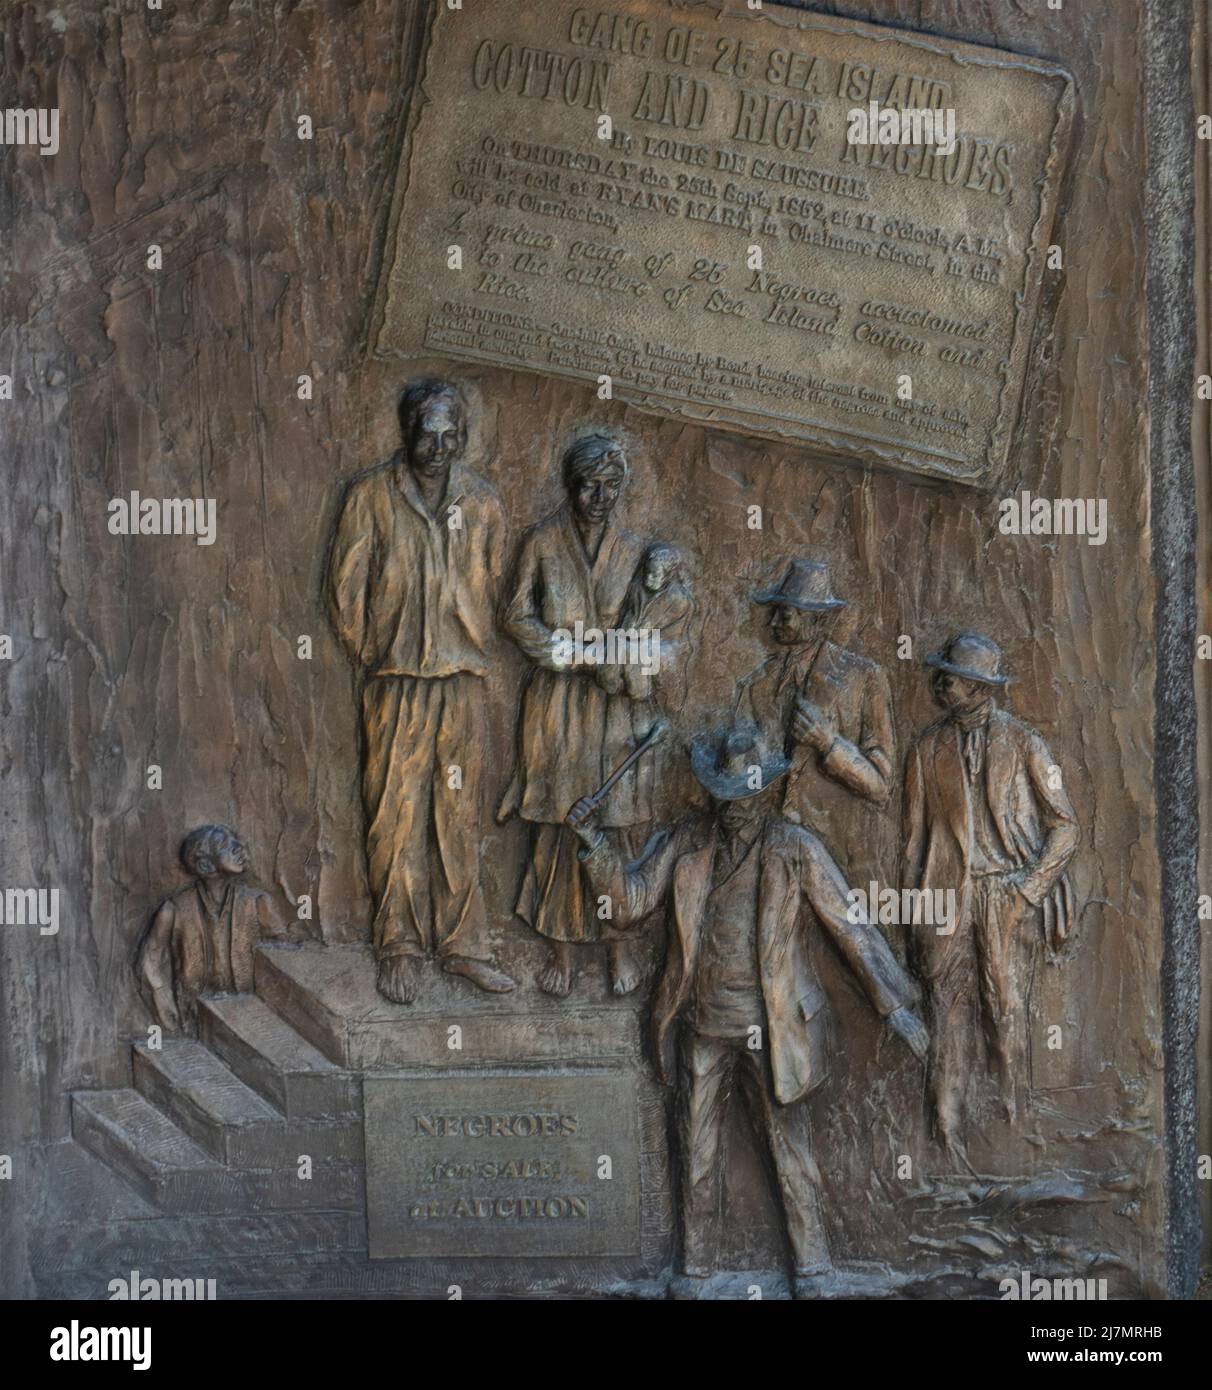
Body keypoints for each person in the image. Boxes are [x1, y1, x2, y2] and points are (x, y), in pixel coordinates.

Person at [567, 721, 928, 1298]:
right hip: (703, 1023)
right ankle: (695, 1270)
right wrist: (596, 845)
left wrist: (895, 1008)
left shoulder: (795, 848)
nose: (734, 809)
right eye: (725, 798)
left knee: (790, 1152)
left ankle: (811, 1269)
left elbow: (851, 928)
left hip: (774, 1025)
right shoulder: (688, 842)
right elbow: (627, 905)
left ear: (765, 794)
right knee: (695, 1150)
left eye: (746, 798)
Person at [328, 379, 515, 1004]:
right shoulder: (370, 496)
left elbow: (490, 585)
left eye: (449, 435)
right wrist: (380, 653)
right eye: (425, 433)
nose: (437, 447)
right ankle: (399, 945)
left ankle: (462, 945)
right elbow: (345, 595)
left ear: (463, 437)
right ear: (408, 432)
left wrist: (464, 641)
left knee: (456, 816)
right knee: (394, 814)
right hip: (396, 682)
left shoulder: (482, 503)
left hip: (461, 681)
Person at [902, 631, 1079, 1154]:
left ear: (979, 688)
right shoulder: (926, 750)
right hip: (945, 904)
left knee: (1003, 1013)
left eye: (949, 677)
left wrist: (1028, 891)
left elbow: (1065, 825)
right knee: (946, 1015)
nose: (939, 683)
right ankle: (945, 1135)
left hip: (1006, 896)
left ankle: (1012, 1126)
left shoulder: (1026, 743)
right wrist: (914, 913)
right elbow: (913, 845)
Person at [499, 433, 651, 997]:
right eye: (589, 485)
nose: (599, 496)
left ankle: (620, 945)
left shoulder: (636, 552)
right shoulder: (541, 542)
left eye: (611, 486)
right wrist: (562, 651)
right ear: (571, 485)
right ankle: (559, 949)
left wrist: (625, 657)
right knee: (562, 826)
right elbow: (515, 616)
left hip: (614, 709)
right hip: (558, 705)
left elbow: (654, 622)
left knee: (614, 823)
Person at [733, 559, 894, 883]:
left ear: (817, 619)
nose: (774, 622)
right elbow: (739, 773)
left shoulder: (862, 678)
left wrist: (829, 743)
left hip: (836, 858)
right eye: (775, 611)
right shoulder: (757, 684)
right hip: (765, 855)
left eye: (785, 613)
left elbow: (881, 787)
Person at [136, 825, 288, 1035]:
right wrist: (160, 995)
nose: (239, 847)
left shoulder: (257, 903)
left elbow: (283, 961)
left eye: (236, 840)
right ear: (205, 865)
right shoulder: (174, 909)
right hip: (194, 1021)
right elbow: (151, 957)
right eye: (226, 844)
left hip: (253, 1021)